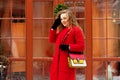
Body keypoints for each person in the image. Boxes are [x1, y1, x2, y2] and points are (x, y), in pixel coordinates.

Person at [49, 5, 85, 80]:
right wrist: (54, 27)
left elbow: (81, 46)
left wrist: (68, 47)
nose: (63, 21)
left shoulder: (76, 30)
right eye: (61, 19)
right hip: (57, 63)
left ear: (70, 18)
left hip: (67, 63)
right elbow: (52, 40)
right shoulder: (62, 30)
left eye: (65, 18)